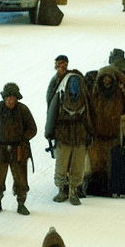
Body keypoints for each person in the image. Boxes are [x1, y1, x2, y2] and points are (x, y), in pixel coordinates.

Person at [0, 81, 38, 215]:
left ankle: (21, 203)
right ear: (4, 98)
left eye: (12, 97)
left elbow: (33, 129)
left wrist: (22, 138)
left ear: (17, 98)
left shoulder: (23, 110)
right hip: (0, 150)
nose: (10, 100)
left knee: (21, 179)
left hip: (18, 150)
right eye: (7, 97)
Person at [45, 69, 92, 205]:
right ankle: (62, 190)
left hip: (79, 137)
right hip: (64, 136)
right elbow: (52, 115)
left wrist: (90, 132)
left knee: (77, 166)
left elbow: (88, 116)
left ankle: (73, 190)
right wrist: (49, 134)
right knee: (61, 166)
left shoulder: (84, 98)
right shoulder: (59, 97)